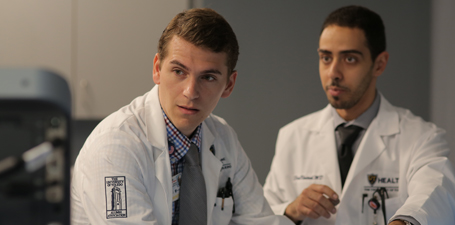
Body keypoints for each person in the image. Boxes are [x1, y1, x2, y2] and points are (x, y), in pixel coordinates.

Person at [71, 8, 292, 225]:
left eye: (208, 77)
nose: (190, 92)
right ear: (157, 69)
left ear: (229, 84)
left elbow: (262, 221)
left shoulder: (223, 139)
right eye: (179, 71)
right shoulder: (115, 147)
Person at [263, 5, 455, 225]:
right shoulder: (292, 136)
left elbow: (435, 195)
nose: (333, 73)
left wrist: (404, 222)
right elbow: (263, 214)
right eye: (326, 58)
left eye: (349, 59)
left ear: (379, 64)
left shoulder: (422, 138)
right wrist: (291, 209)